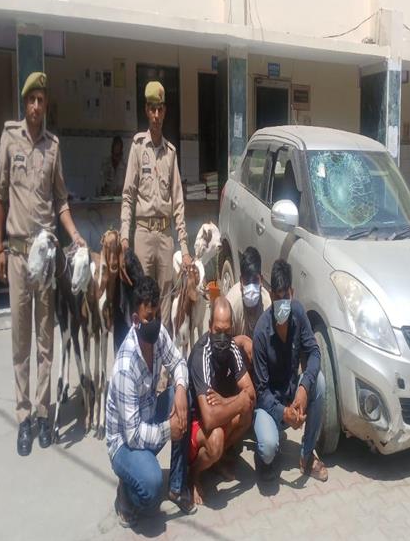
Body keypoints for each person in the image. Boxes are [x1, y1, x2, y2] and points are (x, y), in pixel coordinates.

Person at [0, 71, 85, 457]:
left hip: (45, 257)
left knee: (46, 338)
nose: (35, 106)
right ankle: (24, 416)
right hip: (16, 255)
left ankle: (45, 414)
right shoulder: (9, 138)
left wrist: (75, 234)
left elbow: (61, 200)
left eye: (41, 100)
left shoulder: (53, 147)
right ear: (24, 102)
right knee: (21, 340)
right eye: (31, 100)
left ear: (46, 105)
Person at [106, 275, 196, 528]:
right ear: (136, 320)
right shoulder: (125, 366)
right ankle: (126, 494)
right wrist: (169, 430)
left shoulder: (158, 335)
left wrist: (180, 389)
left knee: (184, 397)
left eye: (157, 315)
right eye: (149, 317)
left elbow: (178, 362)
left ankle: (176, 486)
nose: (155, 322)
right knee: (151, 486)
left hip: (148, 417)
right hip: (124, 442)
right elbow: (133, 435)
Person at [120, 81, 192, 332]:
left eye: (160, 109)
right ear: (146, 110)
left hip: (164, 236)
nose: (156, 115)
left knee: (165, 304)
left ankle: (163, 356)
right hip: (142, 235)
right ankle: (142, 352)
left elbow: (178, 202)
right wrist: (124, 240)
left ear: (165, 111)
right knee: (142, 302)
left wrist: (184, 248)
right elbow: (128, 196)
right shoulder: (138, 147)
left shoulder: (170, 153)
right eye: (152, 109)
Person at [253, 259, 328, 482]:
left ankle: (307, 455)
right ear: (270, 296)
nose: (282, 303)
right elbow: (261, 392)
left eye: (285, 296)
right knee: (268, 448)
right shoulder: (261, 332)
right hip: (270, 405)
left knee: (319, 382)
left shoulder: (298, 312)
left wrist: (304, 388)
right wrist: (284, 412)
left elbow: (314, 352)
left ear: (292, 293)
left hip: (293, 394)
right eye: (277, 297)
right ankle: (264, 454)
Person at [187, 297, 255, 505]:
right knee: (215, 437)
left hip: (217, 412)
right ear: (210, 326)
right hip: (195, 422)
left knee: (247, 413)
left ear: (232, 327)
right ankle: (192, 475)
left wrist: (226, 401)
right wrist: (238, 401)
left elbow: (251, 394)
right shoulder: (202, 354)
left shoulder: (232, 347)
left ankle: (215, 460)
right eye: (218, 330)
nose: (222, 337)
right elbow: (208, 419)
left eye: (227, 331)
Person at [226, 246, 271, 369]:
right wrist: (242, 341)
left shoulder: (267, 303)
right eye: (247, 281)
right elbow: (221, 345)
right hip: (235, 362)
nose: (251, 287)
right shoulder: (232, 304)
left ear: (261, 280)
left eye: (255, 280)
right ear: (241, 281)